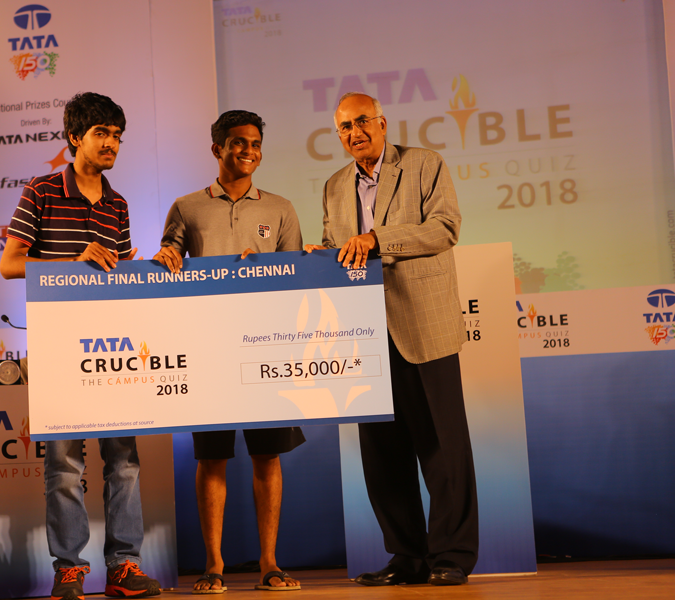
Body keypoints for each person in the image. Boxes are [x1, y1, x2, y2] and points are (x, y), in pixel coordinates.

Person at [305, 92, 478, 586]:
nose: (354, 132)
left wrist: (378, 239)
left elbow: (444, 228)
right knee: (382, 453)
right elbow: (340, 246)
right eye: (344, 127)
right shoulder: (335, 185)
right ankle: (407, 557)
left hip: (423, 323)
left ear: (382, 123)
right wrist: (322, 255)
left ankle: (451, 556)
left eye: (362, 122)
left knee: (442, 447)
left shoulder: (424, 164)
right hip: (363, 333)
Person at [0, 92, 157, 600]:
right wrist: (72, 262)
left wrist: (148, 269)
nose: (111, 143)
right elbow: (9, 264)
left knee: (124, 461)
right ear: (74, 137)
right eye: (101, 134)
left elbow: (122, 273)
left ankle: (124, 567)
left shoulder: (118, 203)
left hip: (114, 346)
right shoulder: (42, 190)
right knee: (64, 465)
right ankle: (69, 569)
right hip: (59, 343)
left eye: (117, 136)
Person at [154, 110, 305, 594]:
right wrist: (166, 256)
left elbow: (298, 280)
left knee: (267, 456)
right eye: (238, 142)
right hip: (208, 350)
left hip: (266, 347)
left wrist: (270, 268)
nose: (249, 151)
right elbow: (167, 262)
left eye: (255, 143)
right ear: (217, 148)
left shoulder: (281, 209)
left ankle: (270, 563)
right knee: (212, 458)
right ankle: (213, 565)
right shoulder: (186, 207)